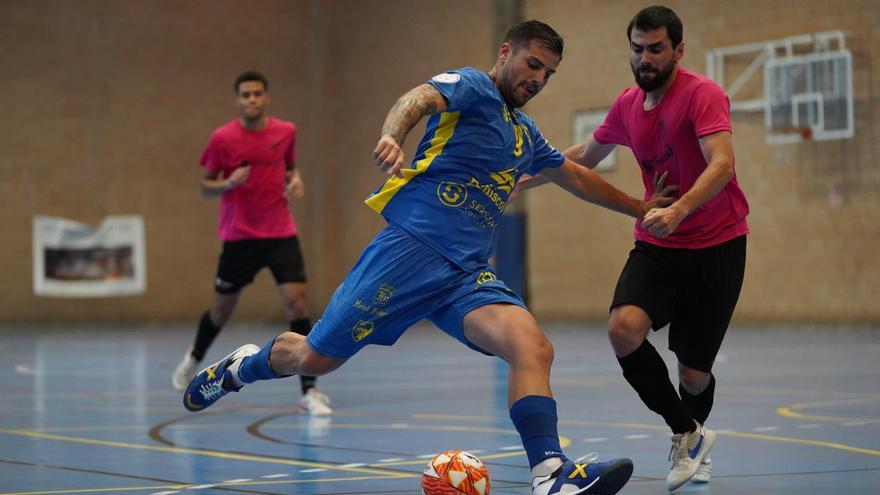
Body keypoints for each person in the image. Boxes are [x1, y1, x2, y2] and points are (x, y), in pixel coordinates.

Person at [183, 21, 675, 495]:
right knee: (315, 357)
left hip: (464, 277)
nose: (538, 79)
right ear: (505, 53)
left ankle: (550, 473)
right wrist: (393, 134)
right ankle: (240, 367)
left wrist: (636, 206)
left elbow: (574, 175)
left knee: (534, 348)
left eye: (548, 73)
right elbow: (417, 99)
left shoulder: (525, 133)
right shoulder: (472, 87)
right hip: (408, 253)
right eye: (532, 64)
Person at [527, 5, 748, 492]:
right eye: (637, 49)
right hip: (658, 244)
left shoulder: (702, 95)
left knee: (693, 375)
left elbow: (723, 164)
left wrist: (679, 209)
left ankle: (693, 435)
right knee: (623, 329)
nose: (644, 58)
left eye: (655, 49)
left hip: (718, 244)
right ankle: (687, 434)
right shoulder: (627, 105)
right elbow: (583, 156)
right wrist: (518, 180)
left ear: (678, 50)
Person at [171, 70, 332, 416]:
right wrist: (229, 182)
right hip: (239, 236)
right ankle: (193, 358)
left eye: (258, 94)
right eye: (246, 95)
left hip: (280, 232)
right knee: (220, 311)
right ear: (238, 100)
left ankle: (309, 391)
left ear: (266, 97)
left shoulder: (286, 132)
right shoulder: (222, 138)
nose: (252, 100)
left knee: (297, 305)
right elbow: (205, 186)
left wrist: (296, 181)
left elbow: (290, 168)